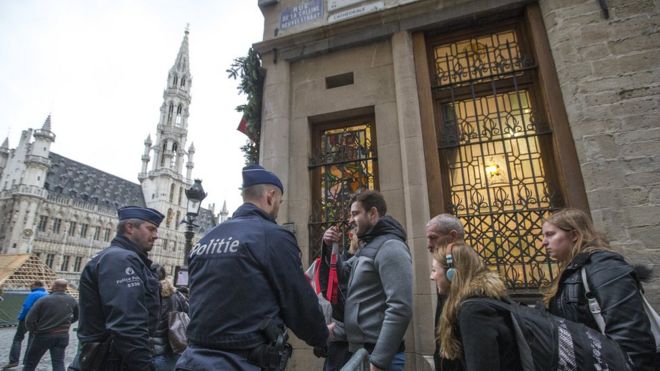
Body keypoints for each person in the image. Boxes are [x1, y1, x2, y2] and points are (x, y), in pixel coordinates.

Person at [176, 164, 328, 370]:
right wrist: (321, 337)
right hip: (241, 362)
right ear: (270, 196)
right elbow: (299, 301)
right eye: (279, 202)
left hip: (191, 360)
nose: (278, 208)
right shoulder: (273, 236)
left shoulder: (207, 239)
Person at [542, 208, 657, 370]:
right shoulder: (573, 269)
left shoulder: (604, 267)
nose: (543, 242)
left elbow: (630, 335)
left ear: (574, 235)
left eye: (550, 234)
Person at [323, 190, 413, 371]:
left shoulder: (391, 246)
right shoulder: (368, 245)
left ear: (373, 214)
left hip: (377, 357)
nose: (350, 220)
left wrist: (379, 361)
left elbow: (400, 308)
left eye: (355, 214)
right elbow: (343, 276)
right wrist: (329, 247)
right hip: (360, 352)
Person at [72, 206, 164, 371]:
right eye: (151, 229)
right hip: (111, 361)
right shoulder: (120, 259)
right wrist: (143, 366)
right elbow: (128, 322)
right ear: (130, 227)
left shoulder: (121, 258)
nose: (156, 236)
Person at [432, 243, 522, 371]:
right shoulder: (479, 301)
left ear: (452, 273)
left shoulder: (474, 312)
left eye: (434, 270)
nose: (432, 277)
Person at [424, 214, 465, 371]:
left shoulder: (466, 279)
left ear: (452, 236)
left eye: (433, 238)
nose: (429, 245)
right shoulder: (445, 275)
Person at [23, 279, 78, 371]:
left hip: (44, 334)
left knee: (31, 363)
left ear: (55, 286)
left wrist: (33, 330)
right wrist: (68, 322)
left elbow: (29, 319)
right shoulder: (72, 300)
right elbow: (77, 315)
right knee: (58, 362)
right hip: (62, 335)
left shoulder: (44, 300)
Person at [2, 280, 47, 369]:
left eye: (31, 285)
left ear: (35, 285)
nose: (30, 287)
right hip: (39, 320)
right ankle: (27, 361)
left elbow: (26, 306)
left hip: (27, 319)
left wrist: (21, 317)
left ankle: (14, 361)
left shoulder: (33, 294)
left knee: (18, 339)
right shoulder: (46, 294)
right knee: (32, 339)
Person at [153, 278, 189, 370]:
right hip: (176, 343)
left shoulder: (153, 296)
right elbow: (188, 311)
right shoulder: (177, 296)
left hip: (157, 349)